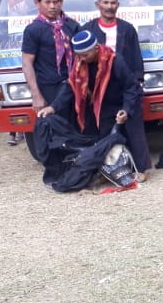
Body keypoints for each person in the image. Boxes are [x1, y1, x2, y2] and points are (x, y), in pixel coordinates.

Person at [33, 30, 142, 189]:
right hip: (93, 108)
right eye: (79, 55)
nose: (81, 59)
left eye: (85, 55)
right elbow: (70, 88)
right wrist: (53, 107)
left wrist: (126, 110)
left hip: (115, 107)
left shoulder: (115, 61)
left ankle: (121, 170)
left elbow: (131, 87)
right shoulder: (79, 64)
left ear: (96, 48)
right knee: (91, 142)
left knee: (108, 143)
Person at [83, 0, 152, 179]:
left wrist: (137, 83)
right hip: (101, 87)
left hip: (126, 82)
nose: (109, 7)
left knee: (133, 127)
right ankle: (106, 168)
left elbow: (136, 59)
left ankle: (141, 169)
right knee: (103, 128)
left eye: (113, 3)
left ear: (118, 5)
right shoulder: (88, 29)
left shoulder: (127, 29)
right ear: (98, 5)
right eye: (105, 3)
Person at [20, 0, 81, 113]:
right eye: (47, 2)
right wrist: (36, 95)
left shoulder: (72, 25)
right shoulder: (33, 30)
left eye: (55, 2)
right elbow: (27, 63)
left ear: (62, 2)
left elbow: (81, 56)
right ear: (37, 3)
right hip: (49, 88)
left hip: (73, 85)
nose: (52, 6)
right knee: (56, 126)